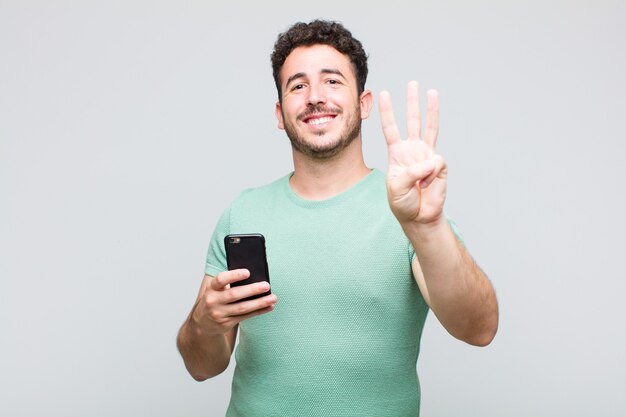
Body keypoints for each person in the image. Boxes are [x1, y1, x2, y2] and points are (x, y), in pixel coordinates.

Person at [177, 19, 498, 416]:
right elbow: (200, 365)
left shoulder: (408, 209)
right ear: (280, 113)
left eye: (332, 81)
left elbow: (479, 329)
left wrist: (427, 227)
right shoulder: (243, 212)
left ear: (363, 104)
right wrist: (205, 322)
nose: (314, 97)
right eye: (298, 85)